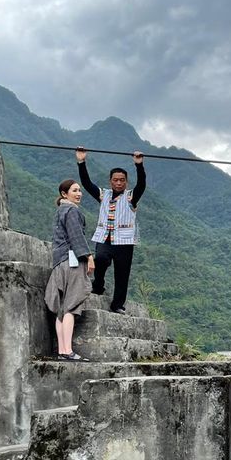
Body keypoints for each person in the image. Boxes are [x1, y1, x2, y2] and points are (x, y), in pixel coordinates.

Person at [76, 147, 147, 313]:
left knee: (122, 274)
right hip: (104, 238)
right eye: (115, 180)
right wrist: (81, 161)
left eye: (122, 180)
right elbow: (86, 183)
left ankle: (117, 305)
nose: (119, 183)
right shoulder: (104, 195)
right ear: (110, 181)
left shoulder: (131, 197)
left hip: (124, 241)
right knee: (100, 259)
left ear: (126, 182)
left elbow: (142, 184)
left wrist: (139, 165)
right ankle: (98, 285)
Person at [44, 179, 95, 360]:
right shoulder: (72, 210)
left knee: (61, 308)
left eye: (79, 190)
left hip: (59, 261)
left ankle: (62, 351)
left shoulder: (60, 210)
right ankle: (68, 350)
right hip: (72, 261)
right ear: (65, 194)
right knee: (71, 306)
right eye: (74, 190)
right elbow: (76, 236)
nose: (79, 193)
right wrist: (88, 257)